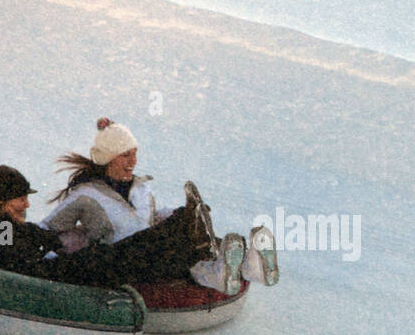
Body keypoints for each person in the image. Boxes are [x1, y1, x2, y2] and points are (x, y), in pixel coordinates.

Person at [41, 118, 278, 293]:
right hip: (121, 258)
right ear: (108, 159)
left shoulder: (141, 187)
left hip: (152, 249)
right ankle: (220, 269)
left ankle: (247, 266)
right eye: (125, 155)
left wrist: (181, 215)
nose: (133, 161)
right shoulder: (86, 194)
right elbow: (46, 229)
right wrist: (56, 261)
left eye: (134, 154)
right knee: (180, 237)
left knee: (183, 230)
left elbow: (155, 216)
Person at [0, 164, 218, 289]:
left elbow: (29, 239)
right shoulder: (1, 229)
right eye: (20, 199)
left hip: (55, 268)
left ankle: (187, 229)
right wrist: (51, 248)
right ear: (2, 202)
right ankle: (187, 233)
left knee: (126, 252)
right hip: (53, 275)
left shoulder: (0, 226)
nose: (27, 204)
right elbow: (15, 260)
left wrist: (57, 241)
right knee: (128, 255)